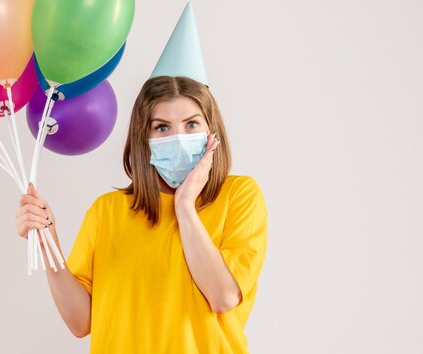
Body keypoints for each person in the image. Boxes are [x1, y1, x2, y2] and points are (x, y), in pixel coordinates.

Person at [16, 74, 268, 353]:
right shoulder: (107, 211)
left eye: (191, 124)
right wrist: (47, 243)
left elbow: (223, 297)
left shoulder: (239, 196)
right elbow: (80, 322)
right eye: (161, 127)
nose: (179, 139)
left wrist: (184, 205)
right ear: (143, 138)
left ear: (212, 131)